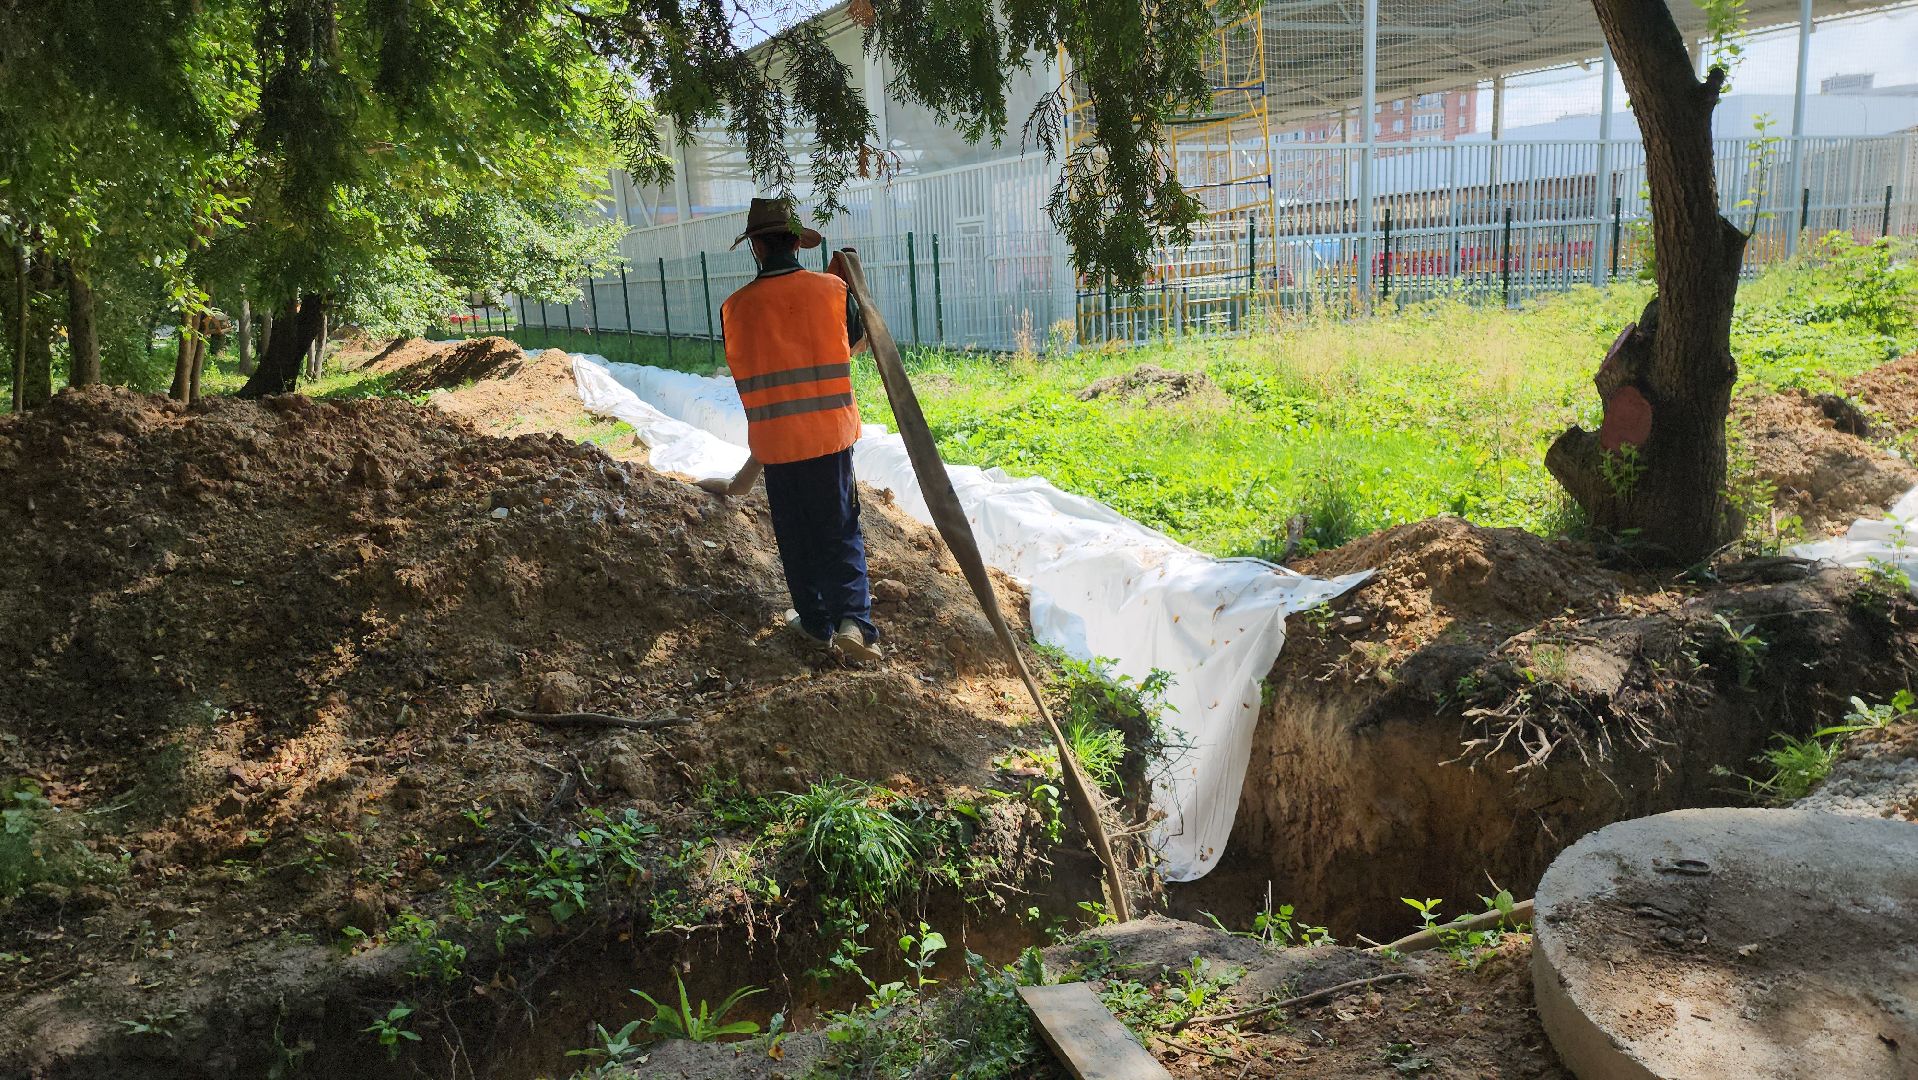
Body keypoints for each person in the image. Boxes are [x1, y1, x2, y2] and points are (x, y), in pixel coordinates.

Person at [699, 198, 880, 662]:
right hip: (828, 437)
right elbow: (855, 345)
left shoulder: (734, 308)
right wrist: (842, 287)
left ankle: (816, 623)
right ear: (799, 242)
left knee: (795, 534)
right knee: (839, 528)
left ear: (756, 247)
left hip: (776, 445)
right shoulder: (831, 291)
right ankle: (853, 623)